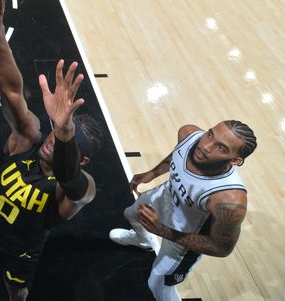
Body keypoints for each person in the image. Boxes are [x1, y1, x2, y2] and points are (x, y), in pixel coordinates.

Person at [0, 0, 102, 301]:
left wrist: (65, 131)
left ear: (81, 159)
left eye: (67, 139)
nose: (54, 138)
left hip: (22, 245)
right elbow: (12, 95)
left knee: (16, 286)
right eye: (58, 131)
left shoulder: (77, 189)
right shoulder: (29, 140)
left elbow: (72, 181)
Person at [109, 120, 257, 301]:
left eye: (221, 148)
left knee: (157, 283)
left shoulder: (229, 200)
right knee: (130, 215)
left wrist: (161, 230)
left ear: (235, 160)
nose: (205, 146)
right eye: (210, 134)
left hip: (185, 236)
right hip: (164, 197)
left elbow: (221, 248)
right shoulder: (189, 134)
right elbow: (178, 154)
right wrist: (152, 173)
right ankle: (143, 242)